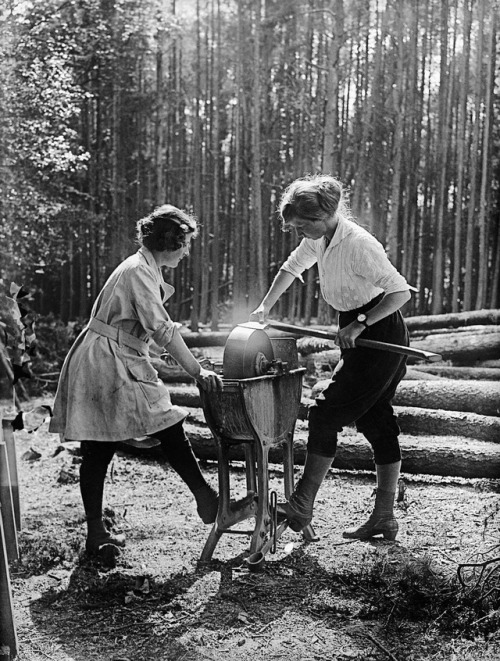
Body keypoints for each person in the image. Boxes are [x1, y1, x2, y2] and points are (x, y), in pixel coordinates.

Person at [50, 204, 230, 558]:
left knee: (113, 441)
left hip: (113, 354)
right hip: (104, 360)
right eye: (185, 243)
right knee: (136, 431)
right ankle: (205, 500)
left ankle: (203, 501)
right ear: (171, 242)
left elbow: (140, 330)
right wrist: (197, 371)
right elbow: (162, 329)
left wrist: (160, 355)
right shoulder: (137, 272)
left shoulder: (144, 268)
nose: (187, 251)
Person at [250, 174, 411, 541]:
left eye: (303, 224)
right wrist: (264, 307)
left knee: (324, 413)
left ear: (324, 215)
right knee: (376, 419)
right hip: (357, 329)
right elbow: (291, 268)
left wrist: (360, 324)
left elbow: (400, 292)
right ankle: (384, 517)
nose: (299, 232)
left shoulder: (358, 244)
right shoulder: (319, 238)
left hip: (380, 331)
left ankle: (302, 502)